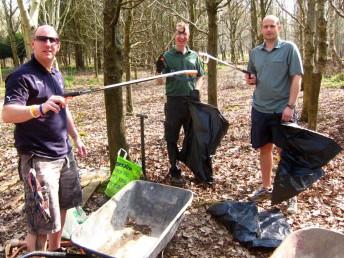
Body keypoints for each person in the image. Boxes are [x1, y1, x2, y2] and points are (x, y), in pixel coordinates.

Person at [2, 25, 86, 252]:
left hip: (64, 153)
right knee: (41, 223)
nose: (48, 43)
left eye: (53, 40)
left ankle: (55, 251)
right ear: (33, 43)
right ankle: (37, 255)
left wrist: (76, 137)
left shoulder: (56, 74)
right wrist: (38, 109)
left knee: (63, 208)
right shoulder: (22, 76)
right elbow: (7, 114)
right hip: (39, 159)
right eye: (42, 39)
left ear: (58, 45)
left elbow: (63, 109)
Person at [245, 15, 303, 214]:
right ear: (261, 29)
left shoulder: (289, 49)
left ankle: (290, 194)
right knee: (264, 149)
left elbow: (296, 78)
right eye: (265, 26)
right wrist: (250, 80)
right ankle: (265, 187)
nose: (268, 29)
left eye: (272, 26)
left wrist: (291, 106)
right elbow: (251, 77)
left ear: (279, 27)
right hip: (260, 108)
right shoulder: (255, 52)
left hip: (282, 110)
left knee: (285, 152)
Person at [156, 22, 204, 186]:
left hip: (191, 102)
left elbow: (200, 76)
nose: (181, 37)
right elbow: (158, 82)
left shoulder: (194, 56)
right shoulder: (167, 57)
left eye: (184, 34)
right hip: (174, 102)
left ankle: (196, 168)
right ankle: (174, 170)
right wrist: (158, 69)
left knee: (193, 137)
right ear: (174, 36)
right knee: (171, 137)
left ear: (188, 36)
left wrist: (196, 90)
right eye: (178, 34)